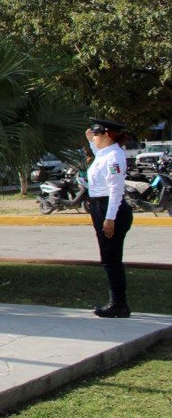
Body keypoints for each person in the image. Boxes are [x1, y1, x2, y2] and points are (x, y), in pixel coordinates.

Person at [85, 117, 134, 318]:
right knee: (108, 256)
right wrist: (90, 138)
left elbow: (115, 190)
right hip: (100, 206)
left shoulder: (114, 156)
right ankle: (117, 302)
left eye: (97, 134)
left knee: (112, 257)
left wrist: (109, 218)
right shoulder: (104, 153)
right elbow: (97, 150)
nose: (94, 138)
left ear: (106, 135)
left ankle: (119, 304)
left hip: (110, 208)